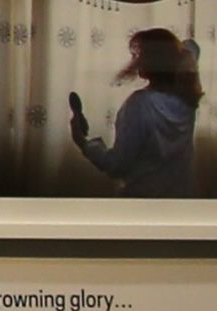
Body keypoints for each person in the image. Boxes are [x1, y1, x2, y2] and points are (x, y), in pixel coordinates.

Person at [71, 27, 201, 196]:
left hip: (143, 203)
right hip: (182, 201)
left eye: (140, 54)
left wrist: (83, 142)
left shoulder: (140, 104)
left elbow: (117, 166)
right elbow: (192, 48)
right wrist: (175, 55)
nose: (135, 59)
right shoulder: (187, 99)